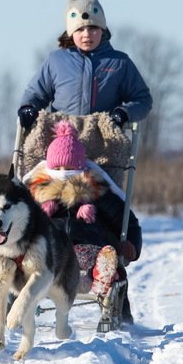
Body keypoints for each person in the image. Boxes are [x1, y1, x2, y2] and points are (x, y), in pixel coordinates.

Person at [23, 120, 141, 321]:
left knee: (104, 256)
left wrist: (131, 244)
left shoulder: (98, 191)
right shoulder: (35, 194)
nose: (63, 171)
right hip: (50, 253)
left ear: (80, 166)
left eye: (68, 166)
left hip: (89, 248)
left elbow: (127, 220)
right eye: (57, 166)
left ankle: (99, 274)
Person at [18, 0, 153, 130]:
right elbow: (35, 94)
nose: (86, 35)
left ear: (102, 29)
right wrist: (28, 107)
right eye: (80, 29)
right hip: (62, 136)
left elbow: (143, 100)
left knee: (105, 150)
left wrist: (124, 112)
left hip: (103, 139)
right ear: (71, 33)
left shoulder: (119, 62)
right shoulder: (56, 61)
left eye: (93, 28)